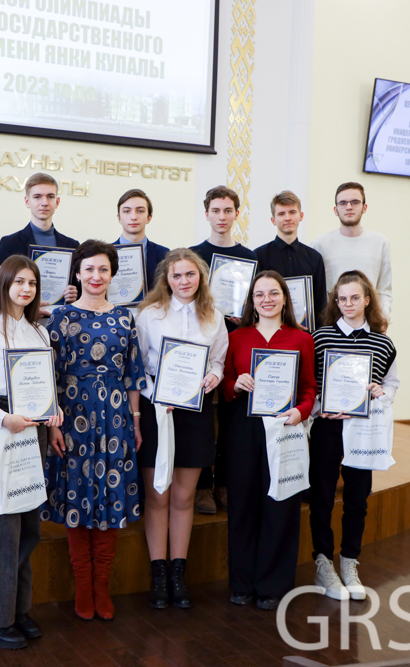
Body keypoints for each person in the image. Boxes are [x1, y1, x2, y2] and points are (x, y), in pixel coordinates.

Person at [42, 240, 147, 621]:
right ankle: (82, 586)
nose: (96, 276)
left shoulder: (125, 317)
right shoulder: (60, 317)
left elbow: (133, 374)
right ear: (77, 273)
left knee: (110, 493)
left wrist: (135, 420)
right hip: (72, 414)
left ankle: (102, 584)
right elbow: (48, 376)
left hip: (116, 417)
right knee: (77, 494)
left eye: (103, 269)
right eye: (89, 269)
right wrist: (54, 422)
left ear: (112, 273)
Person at [0, 255, 63, 649]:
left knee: (29, 528)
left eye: (32, 284)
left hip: (34, 433)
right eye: (18, 281)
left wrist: (53, 410)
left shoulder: (40, 334)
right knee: (2, 530)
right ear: (3, 284)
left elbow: (45, 385)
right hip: (1, 432)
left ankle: (18, 612)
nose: (25, 289)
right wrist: (4, 419)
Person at [135, 248, 227, 609]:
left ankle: (178, 572)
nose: (184, 281)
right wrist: (156, 395)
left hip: (196, 412)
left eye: (190, 275)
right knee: (157, 495)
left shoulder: (214, 317)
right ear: (167, 279)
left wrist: (214, 376)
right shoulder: (150, 316)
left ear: (200, 277)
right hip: (157, 409)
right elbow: (138, 366)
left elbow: (218, 360)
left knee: (184, 497)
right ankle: (158, 574)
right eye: (177, 275)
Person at [222, 270, 316, 610]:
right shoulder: (237, 336)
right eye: (259, 294)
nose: (267, 299)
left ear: (285, 298)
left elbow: (309, 388)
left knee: (281, 505)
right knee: (243, 504)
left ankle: (273, 586)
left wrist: (301, 412)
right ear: (252, 301)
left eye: (273, 293)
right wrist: (235, 384)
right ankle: (242, 583)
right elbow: (225, 380)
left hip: (284, 429)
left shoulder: (301, 338)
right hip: (243, 429)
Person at [310, 270, 399, 601]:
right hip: (328, 428)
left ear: (367, 300)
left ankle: (349, 561)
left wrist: (380, 392)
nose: (348, 304)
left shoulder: (383, 343)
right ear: (336, 302)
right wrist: (321, 407)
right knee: (321, 496)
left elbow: (392, 384)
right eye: (342, 298)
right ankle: (323, 562)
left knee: (357, 498)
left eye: (355, 297)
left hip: (364, 432)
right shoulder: (320, 338)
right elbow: (311, 383)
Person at [189, 185, 257, 515]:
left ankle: (224, 483)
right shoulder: (193, 255)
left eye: (227, 210)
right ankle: (201, 486)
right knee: (201, 417)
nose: (221, 216)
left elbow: (256, 305)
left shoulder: (249, 258)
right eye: (215, 210)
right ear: (207, 214)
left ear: (236, 214)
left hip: (238, 344)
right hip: (202, 344)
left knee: (231, 417)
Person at [0, 172, 80, 312]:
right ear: (27, 202)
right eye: (37, 197)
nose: (44, 202)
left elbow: (81, 288)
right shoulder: (10, 243)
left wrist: (75, 294)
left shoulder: (72, 246)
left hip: (61, 320)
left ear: (57, 202)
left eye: (50, 197)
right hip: (21, 320)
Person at [311, 182, 392, 319]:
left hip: (370, 326)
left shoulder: (380, 242)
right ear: (335, 210)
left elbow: (384, 290)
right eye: (342, 203)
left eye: (355, 202)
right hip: (331, 326)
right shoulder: (319, 244)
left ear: (364, 207)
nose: (349, 207)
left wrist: (382, 320)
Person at [253, 190, 328, 316]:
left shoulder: (315, 258)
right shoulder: (258, 256)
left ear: (301, 216)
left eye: (292, 212)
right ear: (273, 220)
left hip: (306, 332)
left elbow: (320, 303)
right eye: (281, 214)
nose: (287, 218)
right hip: (270, 331)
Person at [115, 188, 170, 293]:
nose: (133, 217)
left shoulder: (164, 254)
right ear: (119, 218)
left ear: (149, 218)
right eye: (127, 211)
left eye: (140, 211)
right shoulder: (104, 253)